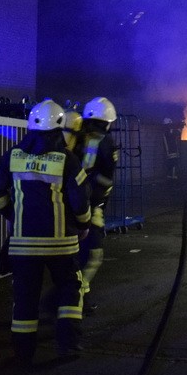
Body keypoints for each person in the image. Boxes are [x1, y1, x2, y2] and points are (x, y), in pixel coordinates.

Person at [0, 99, 91, 363]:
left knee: (25, 298)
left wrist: (12, 213)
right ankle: (68, 344)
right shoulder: (67, 160)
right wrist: (84, 225)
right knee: (70, 289)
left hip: (23, 245)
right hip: (62, 244)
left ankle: (23, 354)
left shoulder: (12, 156)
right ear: (59, 128)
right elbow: (80, 202)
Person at [67, 97, 119, 316]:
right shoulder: (106, 142)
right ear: (106, 121)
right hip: (91, 207)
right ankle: (73, 294)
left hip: (72, 204)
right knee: (94, 257)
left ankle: (82, 297)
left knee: (79, 255)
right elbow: (104, 180)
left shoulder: (78, 138)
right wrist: (96, 209)